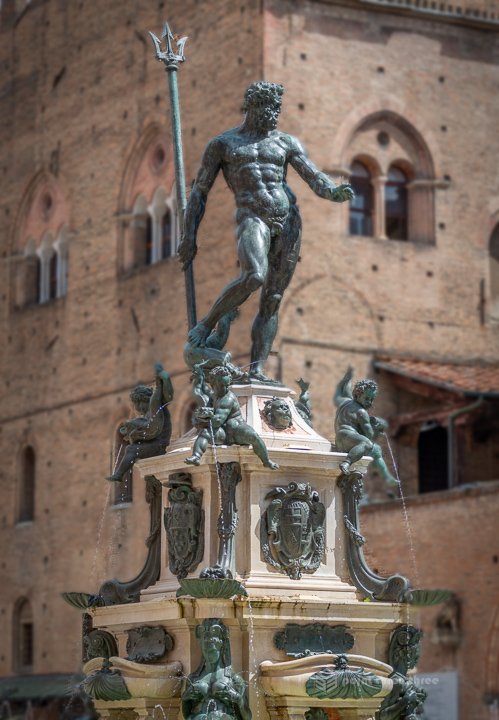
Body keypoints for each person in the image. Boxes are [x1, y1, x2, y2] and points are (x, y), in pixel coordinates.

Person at [178, 81, 353, 380]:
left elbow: (313, 175)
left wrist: (333, 192)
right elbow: (199, 192)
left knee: (272, 299)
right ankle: (206, 325)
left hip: (288, 223)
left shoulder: (285, 143)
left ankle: (257, 370)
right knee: (254, 275)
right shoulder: (224, 145)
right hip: (252, 217)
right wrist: (189, 236)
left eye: (277, 110)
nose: (273, 115)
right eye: (267, 109)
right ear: (251, 107)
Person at [185, 365, 278, 469]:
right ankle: (196, 457)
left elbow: (217, 421)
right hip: (223, 433)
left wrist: (203, 419)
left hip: (236, 430)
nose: (225, 388)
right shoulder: (214, 395)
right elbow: (201, 396)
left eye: (227, 385)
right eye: (221, 385)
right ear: (214, 384)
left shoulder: (228, 398)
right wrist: (201, 415)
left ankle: (266, 460)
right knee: (205, 433)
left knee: (253, 436)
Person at [107, 363, 173, 482]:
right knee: (131, 448)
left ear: (143, 400)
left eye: (137, 404)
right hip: (156, 443)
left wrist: (163, 376)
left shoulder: (154, 404)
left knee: (132, 449)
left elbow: (151, 427)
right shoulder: (150, 411)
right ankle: (119, 474)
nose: (137, 408)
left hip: (160, 445)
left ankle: (119, 475)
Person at [334, 367, 398, 486]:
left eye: (372, 399)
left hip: (341, 440)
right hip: (348, 439)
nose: (370, 402)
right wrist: (377, 426)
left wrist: (346, 380)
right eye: (367, 398)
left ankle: (387, 477)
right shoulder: (362, 412)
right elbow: (369, 435)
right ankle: (347, 462)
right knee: (368, 444)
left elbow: (339, 394)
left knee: (377, 450)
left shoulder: (345, 402)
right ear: (357, 395)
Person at [182, 619, 251, 720]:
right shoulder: (193, 678)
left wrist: (238, 700)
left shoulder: (234, 679)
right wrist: (185, 699)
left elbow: (248, 717)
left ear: (220, 646)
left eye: (212, 650)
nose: (208, 654)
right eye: (205, 650)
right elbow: (186, 715)